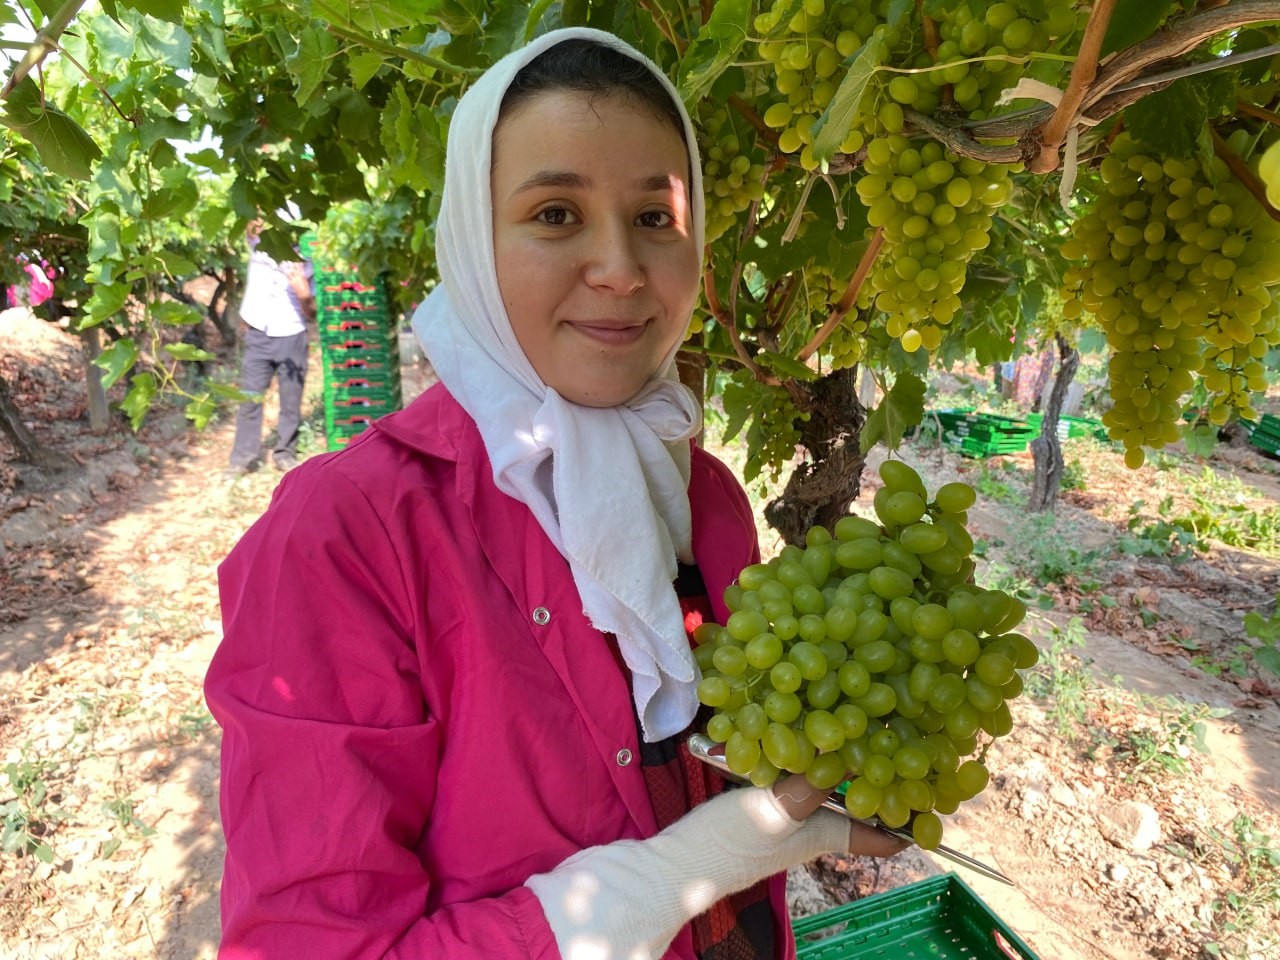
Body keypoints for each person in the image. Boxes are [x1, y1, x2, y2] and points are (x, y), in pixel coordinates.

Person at [205, 28, 905, 960]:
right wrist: (647, 890)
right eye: (555, 215)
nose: (619, 267)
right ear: (472, 242)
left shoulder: (707, 497)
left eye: (656, 218)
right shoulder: (347, 535)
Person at [225, 219, 315, 476]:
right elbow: (251, 219)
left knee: (291, 399)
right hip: (258, 332)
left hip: (291, 332)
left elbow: (311, 313)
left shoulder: (305, 260)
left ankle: (285, 453)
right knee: (250, 397)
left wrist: (304, 294)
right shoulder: (260, 245)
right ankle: (243, 458)